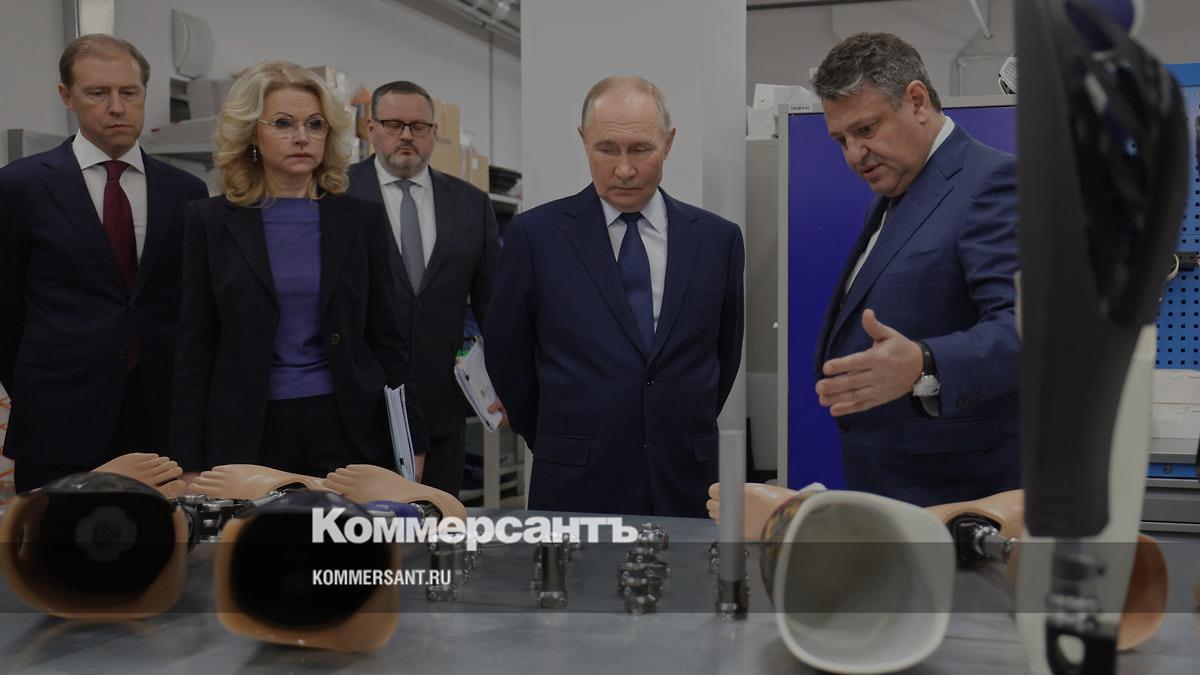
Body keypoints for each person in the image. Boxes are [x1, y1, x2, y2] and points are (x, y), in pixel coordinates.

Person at [485, 76, 744, 516]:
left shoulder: (717, 240)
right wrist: (553, 438)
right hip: (575, 481)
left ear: (668, 143)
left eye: (641, 149)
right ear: (584, 140)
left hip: (685, 479)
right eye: (607, 149)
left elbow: (724, 353)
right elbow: (509, 357)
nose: (624, 170)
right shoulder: (537, 237)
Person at [171, 60, 428, 476]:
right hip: (249, 428)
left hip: (348, 424)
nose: (302, 137)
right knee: (256, 523)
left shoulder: (360, 219)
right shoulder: (209, 221)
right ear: (252, 133)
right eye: (283, 123)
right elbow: (194, 345)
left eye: (314, 124)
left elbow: (387, 337)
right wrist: (188, 460)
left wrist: (410, 437)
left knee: (345, 522)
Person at [810, 32, 1019, 506]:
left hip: (958, 494)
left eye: (866, 130)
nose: (853, 155)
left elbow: (1025, 331)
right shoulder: (895, 194)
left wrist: (924, 363)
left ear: (918, 101)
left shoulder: (991, 182)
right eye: (841, 140)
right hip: (895, 485)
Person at [0, 35, 208, 491]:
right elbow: (6, 310)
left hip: (159, 419)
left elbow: (191, 309)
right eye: (98, 93)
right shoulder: (21, 186)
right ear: (67, 96)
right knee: (55, 535)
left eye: (129, 92)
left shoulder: (185, 192)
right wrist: (45, 383)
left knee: (162, 535)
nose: (117, 107)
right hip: (58, 419)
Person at [348, 80, 501, 496]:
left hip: (442, 409)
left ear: (434, 133)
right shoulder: (335, 193)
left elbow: (493, 306)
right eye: (393, 124)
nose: (406, 136)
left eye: (418, 127)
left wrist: (505, 382)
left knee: (440, 524)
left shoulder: (471, 204)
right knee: (361, 528)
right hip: (360, 407)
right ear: (371, 129)